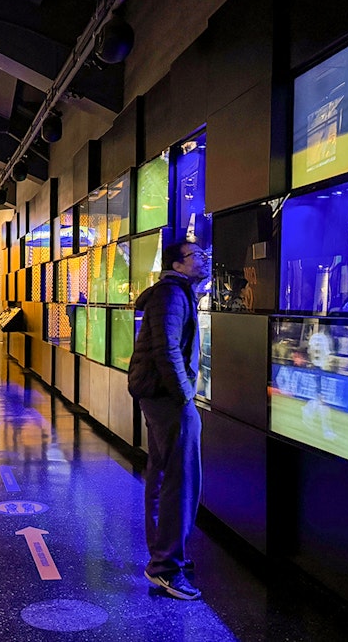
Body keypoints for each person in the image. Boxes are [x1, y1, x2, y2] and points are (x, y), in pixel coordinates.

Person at [128, 240, 211, 601]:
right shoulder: (171, 295)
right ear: (178, 263)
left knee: (163, 475)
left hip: (161, 396)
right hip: (168, 398)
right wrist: (184, 396)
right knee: (182, 480)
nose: (205, 259)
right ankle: (165, 567)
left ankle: (163, 556)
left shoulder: (178, 293)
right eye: (198, 256)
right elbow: (167, 348)